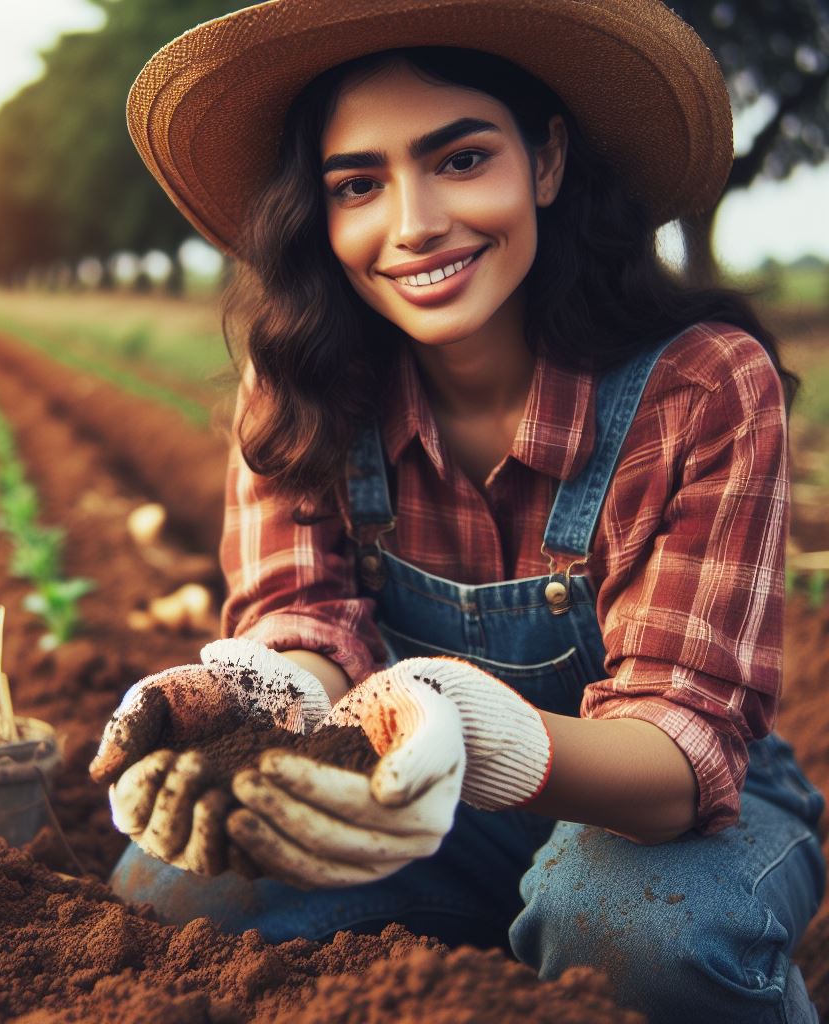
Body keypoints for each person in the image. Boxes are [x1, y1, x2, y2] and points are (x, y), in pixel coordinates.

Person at [89, 2, 826, 1020]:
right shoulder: (304, 380)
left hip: (668, 813)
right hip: (416, 803)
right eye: (358, 184)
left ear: (548, 160)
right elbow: (307, 623)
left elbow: (677, 754)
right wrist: (253, 698)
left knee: (634, 928)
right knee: (175, 887)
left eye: (461, 159)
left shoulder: (698, 386)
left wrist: (471, 731)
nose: (413, 223)